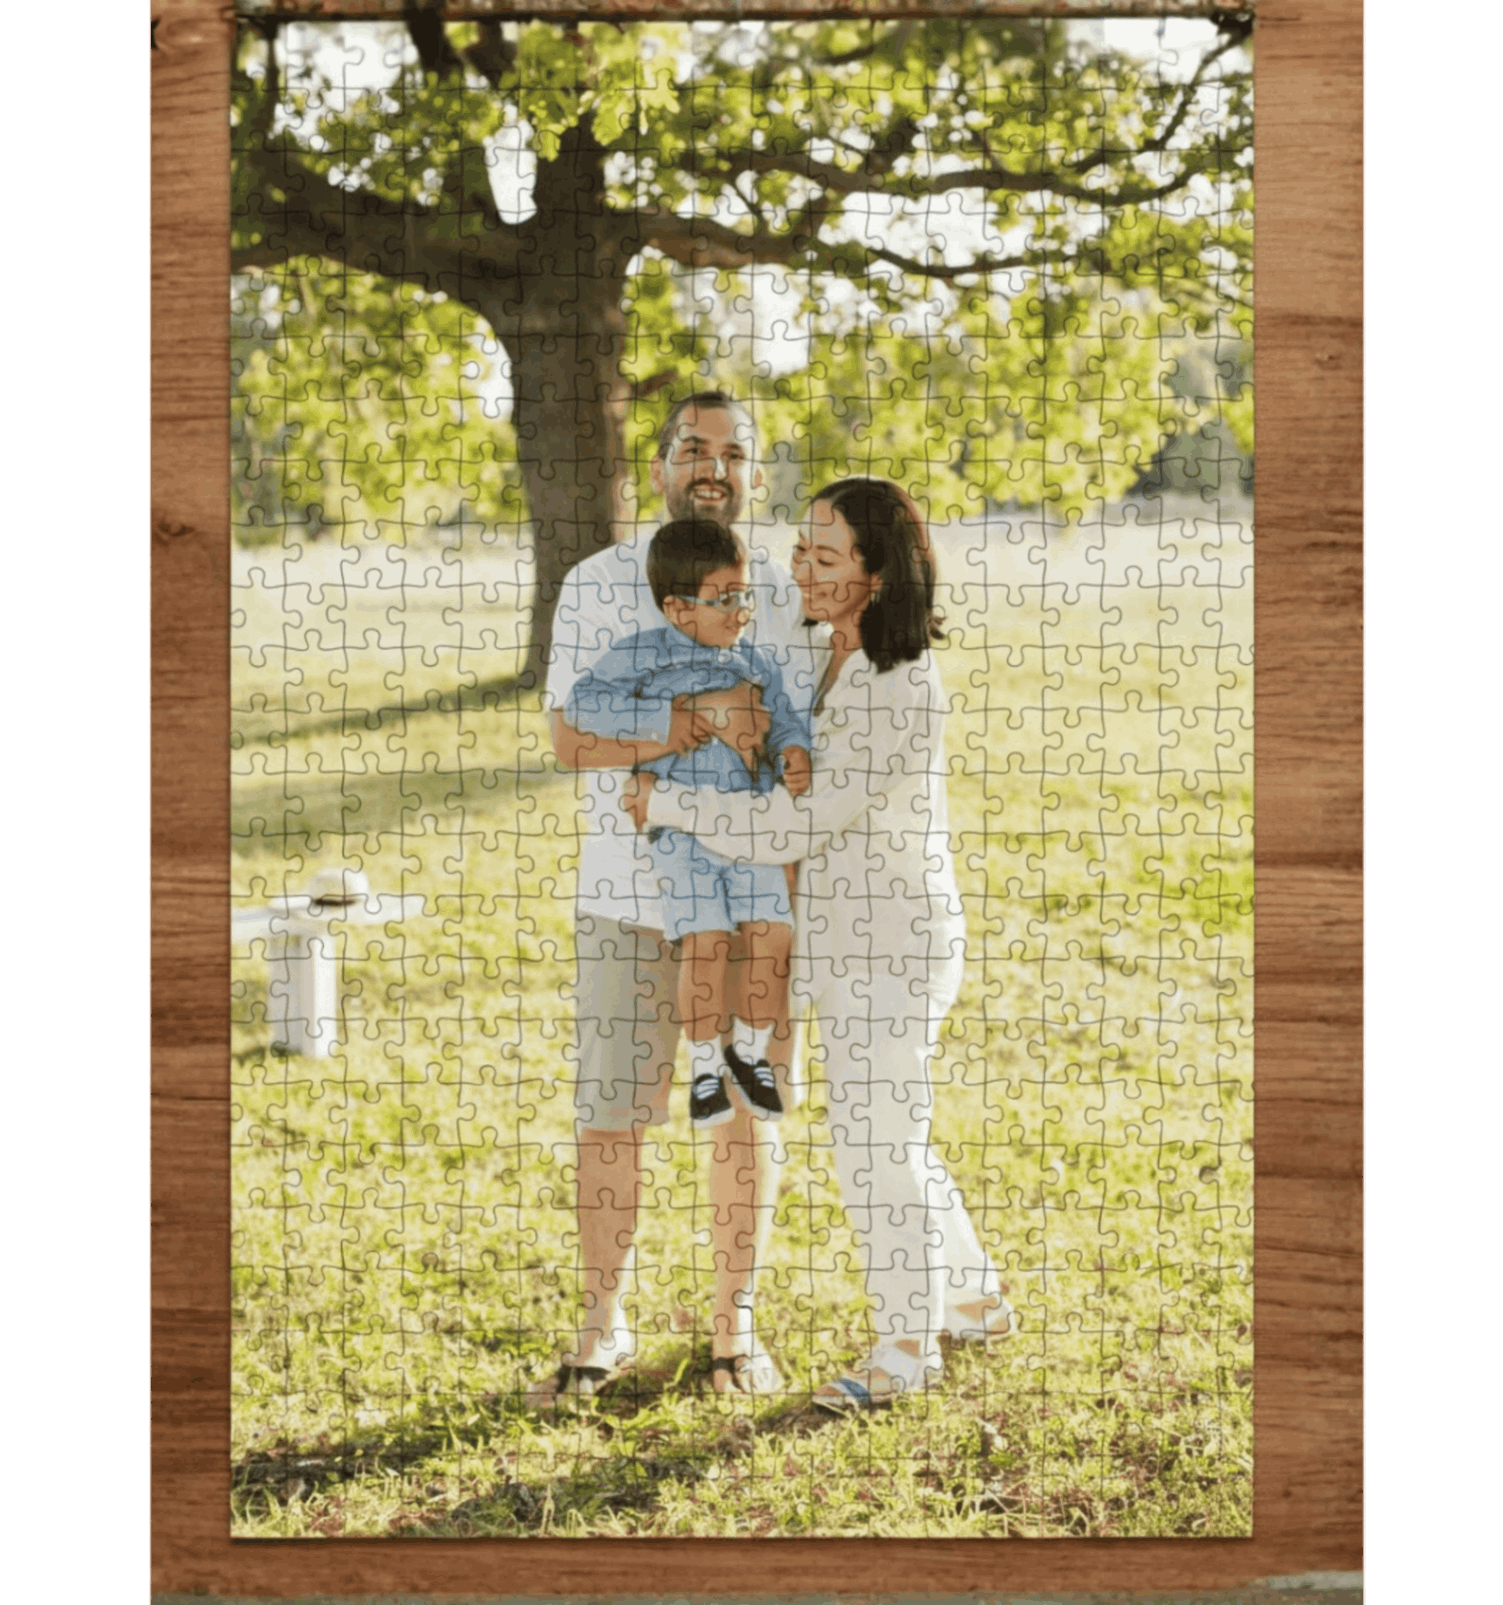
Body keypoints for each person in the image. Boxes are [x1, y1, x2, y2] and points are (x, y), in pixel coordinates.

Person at [625, 478, 1015, 1410]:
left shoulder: (905, 687)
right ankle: (972, 1295)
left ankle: (903, 1349)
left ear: (877, 576)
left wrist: (669, 803)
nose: (799, 567)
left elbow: (797, 824)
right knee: (892, 1133)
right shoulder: (804, 647)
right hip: (829, 942)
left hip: (898, 943)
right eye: (799, 548)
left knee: (871, 1142)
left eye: (825, 555)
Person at [532, 392, 809, 1405]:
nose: (714, 466)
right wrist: (687, 723)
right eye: (694, 448)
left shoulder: (784, 595)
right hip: (623, 897)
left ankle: (733, 1328)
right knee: (614, 1116)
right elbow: (570, 743)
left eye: (734, 454)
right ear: (656, 468)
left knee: (744, 1111)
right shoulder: (597, 586)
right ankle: (602, 1322)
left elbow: (797, 763)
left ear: (755, 478)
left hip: (747, 905)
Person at [563, 517, 811, 1132]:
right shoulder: (646, 655)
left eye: (745, 594)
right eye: (724, 598)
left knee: (773, 937)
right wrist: (664, 717)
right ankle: (705, 1071)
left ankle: (746, 1058)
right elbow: (583, 705)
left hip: (749, 831)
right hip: (683, 840)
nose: (741, 609)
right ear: (676, 609)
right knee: (707, 943)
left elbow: (780, 719)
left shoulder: (754, 661)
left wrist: (791, 751)